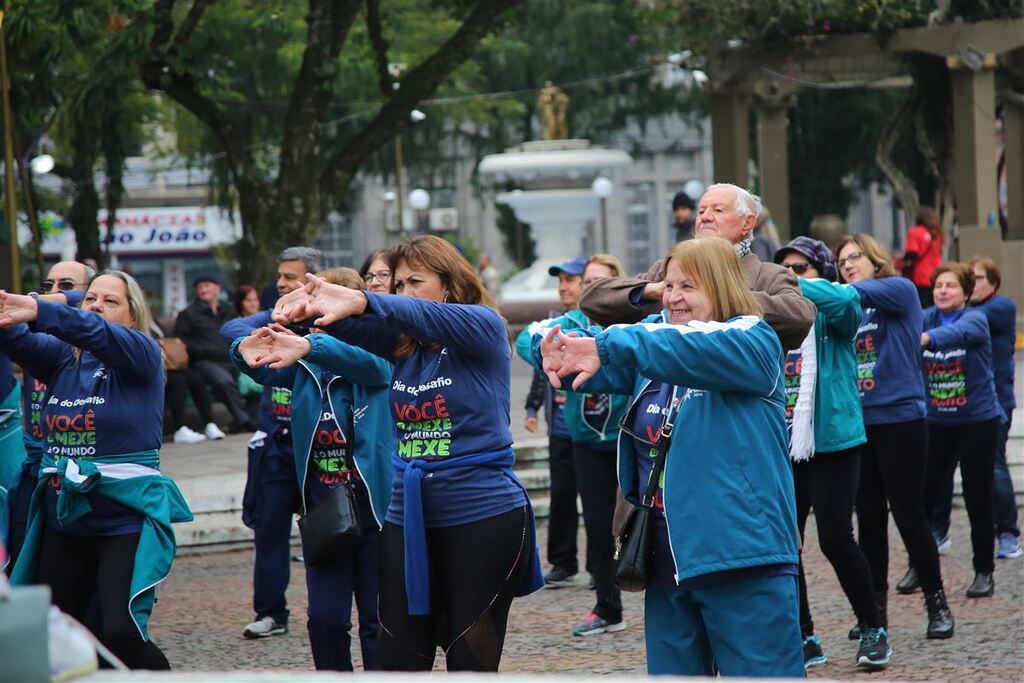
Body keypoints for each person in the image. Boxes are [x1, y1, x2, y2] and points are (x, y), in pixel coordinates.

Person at [272, 235, 543, 672]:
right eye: (397, 285)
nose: (403, 293)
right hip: (407, 516)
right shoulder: (403, 344)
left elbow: (397, 312)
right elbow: (349, 327)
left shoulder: (483, 327)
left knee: (469, 659)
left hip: (482, 515)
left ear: (450, 286)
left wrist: (362, 298)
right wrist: (308, 314)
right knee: (398, 658)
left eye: (416, 281)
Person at [539, 237, 803, 677]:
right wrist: (557, 350)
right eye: (669, 285)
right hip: (663, 557)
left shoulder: (754, 338)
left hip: (741, 556)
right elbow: (573, 353)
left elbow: (676, 347)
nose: (673, 296)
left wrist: (605, 345)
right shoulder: (659, 346)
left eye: (688, 286)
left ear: (721, 287)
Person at [0, 271, 192, 669]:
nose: (97, 307)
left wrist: (43, 306)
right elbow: (12, 335)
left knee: (119, 633)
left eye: (111, 301)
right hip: (66, 519)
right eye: (91, 299)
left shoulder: (141, 353)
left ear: (133, 316)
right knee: (57, 636)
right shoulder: (60, 359)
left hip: (122, 521)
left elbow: (98, 334)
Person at [230, 267, 393, 671]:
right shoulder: (303, 362)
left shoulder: (380, 357)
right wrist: (247, 345)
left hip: (377, 510)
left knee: (378, 623)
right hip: (325, 510)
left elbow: (374, 369)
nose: (318, 318)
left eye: (325, 309)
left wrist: (310, 345)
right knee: (324, 620)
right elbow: (253, 359)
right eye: (313, 310)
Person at [774, 237, 890, 670]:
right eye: (784, 267)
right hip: (784, 442)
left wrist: (788, 284)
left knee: (835, 538)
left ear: (821, 271)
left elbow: (844, 302)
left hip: (834, 440)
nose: (792, 275)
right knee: (786, 542)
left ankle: (873, 627)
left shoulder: (838, 306)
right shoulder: (775, 318)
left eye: (801, 267)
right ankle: (804, 636)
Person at [834, 233, 954, 639]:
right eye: (842, 261)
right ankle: (875, 611)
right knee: (868, 520)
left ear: (875, 260)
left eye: (855, 258)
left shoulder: (900, 290)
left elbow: (855, 291)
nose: (848, 265)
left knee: (908, 514)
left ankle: (937, 603)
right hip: (859, 424)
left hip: (901, 419)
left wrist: (826, 287)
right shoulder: (847, 306)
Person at [517, 254, 630, 637]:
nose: (593, 288)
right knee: (598, 525)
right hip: (585, 440)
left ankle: (667, 590)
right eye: (589, 281)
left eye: (604, 282)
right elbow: (524, 339)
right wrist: (542, 349)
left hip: (629, 437)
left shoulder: (634, 321)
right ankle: (607, 605)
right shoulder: (569, 324)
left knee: (644, 519)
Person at [220, 246, 323, 640]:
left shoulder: (330, 321)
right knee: (270, 531)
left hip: (319, 446)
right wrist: (264, 335)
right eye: (280, 276)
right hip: (275, 444)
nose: (281, 283)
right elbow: (230, 329)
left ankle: (327, 610)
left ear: (313, 279)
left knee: (329, 532)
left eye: (291, 277)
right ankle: (271, 613)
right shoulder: (273, 316)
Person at [580, 183, 816, 352]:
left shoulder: (771, 275)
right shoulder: (665, 270)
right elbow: (591, 299)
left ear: (748, 223)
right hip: (664, 411)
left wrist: (720, 296)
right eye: (701, 211)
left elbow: (801, 317)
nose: (705, 217)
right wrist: (652, 290)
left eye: (718, 210)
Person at [916, 263, 1002, 598]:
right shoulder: (925, 317)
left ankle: (984, 571)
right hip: (936, 423)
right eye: (938, 285)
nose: (942, 291)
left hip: (977, 422)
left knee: (977, 497)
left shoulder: (976, 319)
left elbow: (959, 335)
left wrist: (926, 338)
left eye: (950, 286)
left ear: (966, 292)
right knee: (923, 497)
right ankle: (918, 566)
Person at [7, 261, 93, 569]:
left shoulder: (104, 342)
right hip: (38, 467)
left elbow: (77, 303)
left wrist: (40, 301)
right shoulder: (37, 331)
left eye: (66, 285)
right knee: (22, 553)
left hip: (86, 474)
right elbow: (14, 336)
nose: (54, 291)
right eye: (48, 285)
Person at [522, 257, 587, 590]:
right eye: (560, 281)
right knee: (562, 495)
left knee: (595, 499)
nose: (564, 287)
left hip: (592, 427)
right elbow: (540, 371)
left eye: (570, 280)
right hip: (560, 427)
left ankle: (604, 564)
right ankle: (563, 562)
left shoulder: (599, 323)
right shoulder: (552, 324)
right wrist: (532, 409)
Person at [969, 258, 1020, 559]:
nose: (972, 284)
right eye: (969, 278)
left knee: (995, 467)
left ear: (994, 282)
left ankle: (1009, 533)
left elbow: (969, 320)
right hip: (966, 402)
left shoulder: (1001, 307)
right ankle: (941, 530)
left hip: (997, 401)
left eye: (978, 278)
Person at [174, 275, 251, 434]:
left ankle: (246, 418)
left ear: (217, 288)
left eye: (207, 285)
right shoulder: (188, 315)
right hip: (205, 363)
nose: (203, 290)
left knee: (256, 379)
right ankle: (245, 420)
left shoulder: (229, 310)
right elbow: (181, 341)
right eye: (200, 287)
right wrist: (202, 350)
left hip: (233, 359)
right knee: (224, 381)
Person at [903, 206, 944, 309]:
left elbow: (912, 254)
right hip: (937, 273)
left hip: (921, 277)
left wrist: (901, 259)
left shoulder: (915, 232)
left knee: (924, 307)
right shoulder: (937, 232)